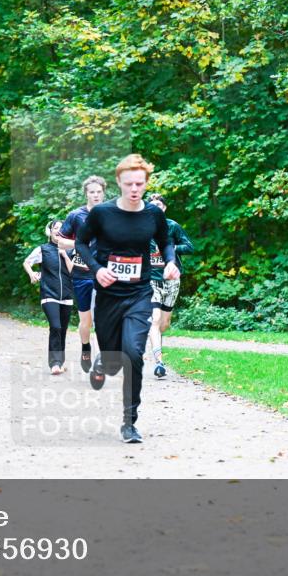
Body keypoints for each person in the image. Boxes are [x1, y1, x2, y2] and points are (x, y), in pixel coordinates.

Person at [75, 154, 178, 444]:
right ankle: (103, 362)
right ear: (119, 182)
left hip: (139, 294)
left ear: (146, 184)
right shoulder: (102, 214)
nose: (134, 189)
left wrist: (171, 262)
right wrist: (97, 270)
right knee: (113, 363)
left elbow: (165, 241)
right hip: (108, 295)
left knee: (133, 354)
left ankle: (129, 422)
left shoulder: (153, 214)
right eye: (129, 183)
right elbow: (82, 243)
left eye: (140, 184)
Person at [55, 175, 105, 373]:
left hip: (103, 274)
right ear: (86, 193)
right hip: (81, 274)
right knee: (86, 321)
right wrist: (81, 244)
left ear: (103, 193)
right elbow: (60, 241)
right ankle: (86, 348)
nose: (95, 195)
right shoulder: (76, 215)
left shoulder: (111, 214)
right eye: (92, 192)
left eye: (98, 192)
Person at [146, 194, 195, 378]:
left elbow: (190, 247)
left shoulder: (172, 226)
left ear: (164, 208)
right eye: (152, 205)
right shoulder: (142, 228)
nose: (156, 208)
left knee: (164, 324)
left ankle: (153, 336)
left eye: (159, 205)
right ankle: (159, 362)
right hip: (151, 279)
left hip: (172, 280)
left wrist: (172, 249)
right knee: (155, 319)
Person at [23, 219, 75, 374]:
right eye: (55, 228)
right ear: (50, 231)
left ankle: (60, 361)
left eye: (61, 228)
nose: (58, 231)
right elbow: (27, 262)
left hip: (66, 295)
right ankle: (54, 363)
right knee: (56, 326)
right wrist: (32, 274)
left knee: (63, 329)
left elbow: (73, 272)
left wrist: (65, 255)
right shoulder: (43, 249)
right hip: (49, 295)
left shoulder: (71, 250)